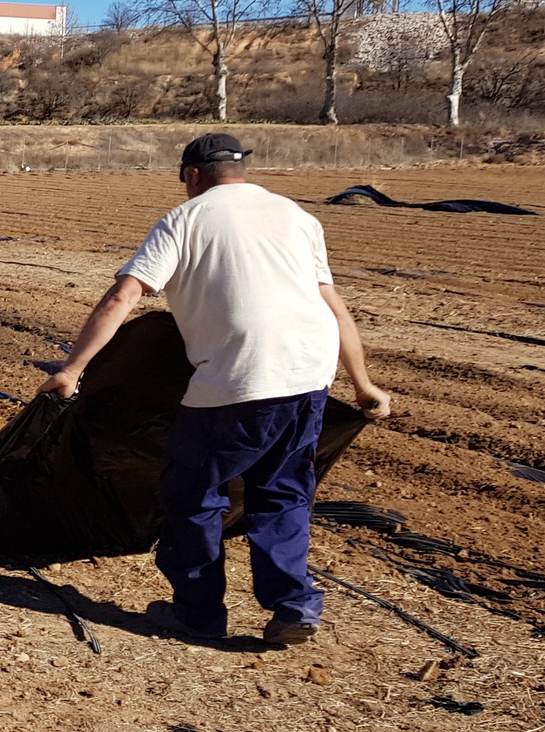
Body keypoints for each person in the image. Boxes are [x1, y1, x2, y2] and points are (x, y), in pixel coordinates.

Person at [36, 133, 391, 646]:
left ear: (192, 175)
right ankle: (294, 606)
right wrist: (362, 384)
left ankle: (198, 613)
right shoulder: (296, 217)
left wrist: (72, 369)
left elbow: (122, 297)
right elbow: (334, 309)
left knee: (193, 495)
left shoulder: (185, 221)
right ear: (241, 170)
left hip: (239, 377)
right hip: (309, 375)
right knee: (284, 492)